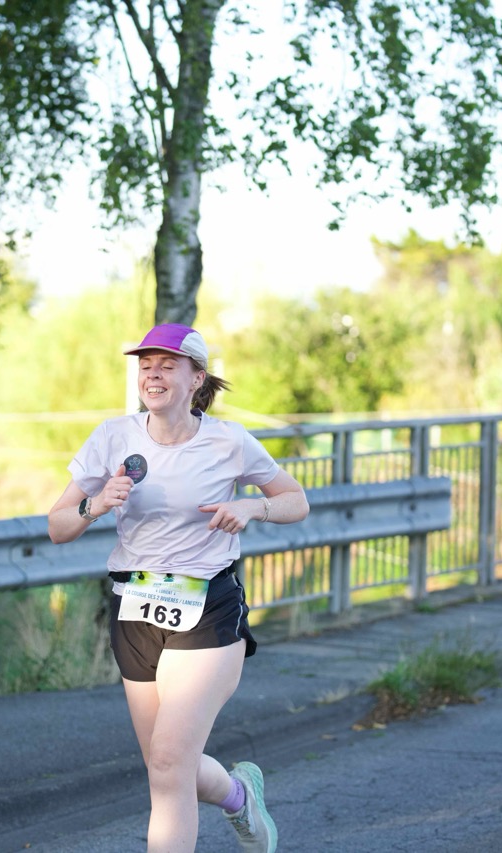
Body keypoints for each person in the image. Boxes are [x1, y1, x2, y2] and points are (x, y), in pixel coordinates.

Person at [48, 323, 309, 853]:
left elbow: (296, 500)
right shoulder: (113, 437)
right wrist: (96, 504)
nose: (153, 374)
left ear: (196, 378)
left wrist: (251, 506)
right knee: (167, 766)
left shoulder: (228, 440)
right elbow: (58, 525)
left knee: (169, 763)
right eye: (146, 365)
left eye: (168, 365)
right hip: (135, 609)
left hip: (207, 607)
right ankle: (239, 796)